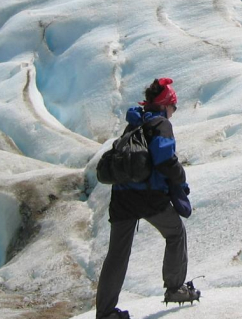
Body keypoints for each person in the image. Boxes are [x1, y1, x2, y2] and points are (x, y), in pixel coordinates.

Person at [95, 78, 199, 319]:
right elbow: (163, 158)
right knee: (175, 233)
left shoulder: (134, 123)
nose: (174, 111)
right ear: (165, 104)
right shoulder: (160, 123)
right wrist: (180, 178)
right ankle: (175, 289)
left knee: (117, 254)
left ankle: (106, 313)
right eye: (174, 105)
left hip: (121, 197)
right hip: (149, 197)